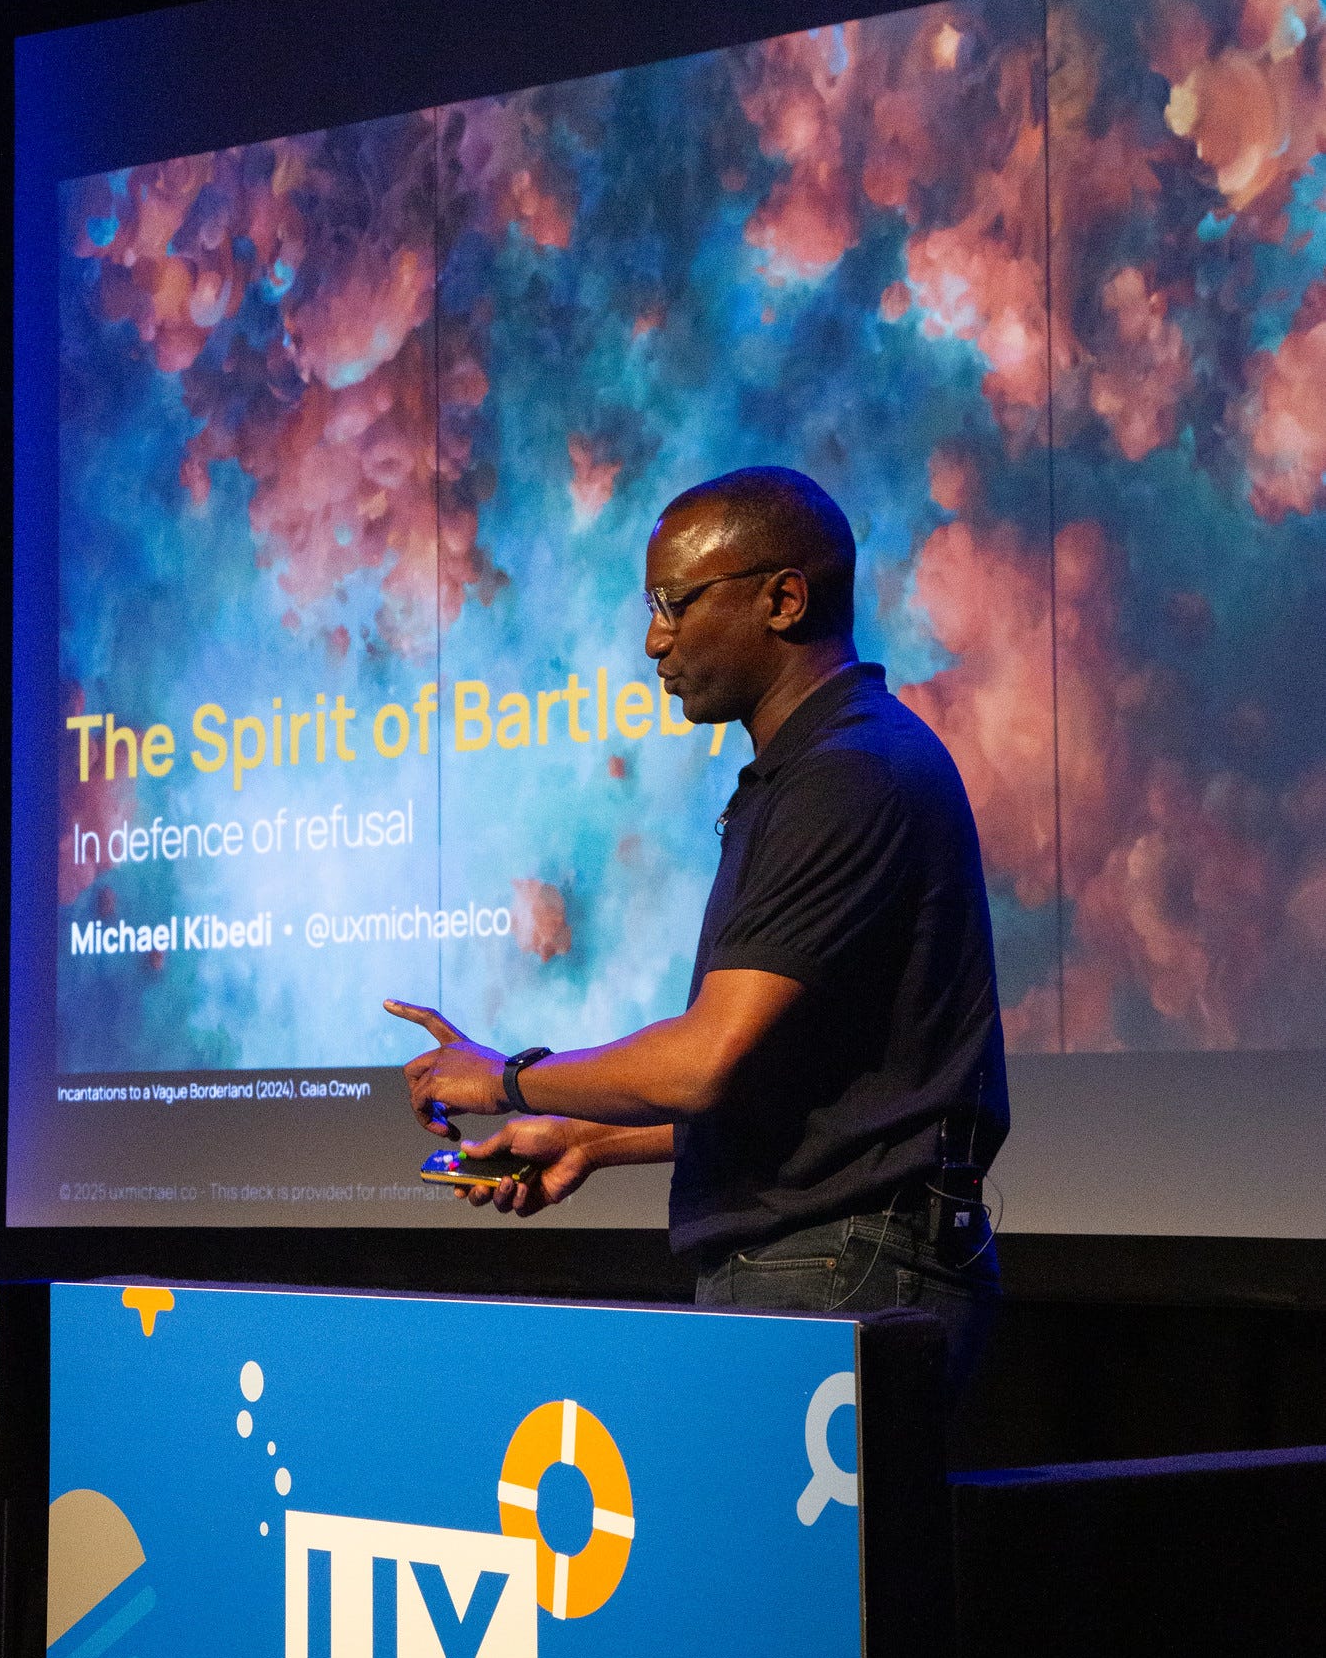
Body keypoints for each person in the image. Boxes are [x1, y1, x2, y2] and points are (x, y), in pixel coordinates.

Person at [386, 465, 1007, 1392]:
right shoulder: (811, 771)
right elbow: (805, 1092)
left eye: (675, 603)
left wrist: (508, 1078)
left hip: (836, 1267)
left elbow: (705, 1060)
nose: (653, 640)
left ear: (783, 599)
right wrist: (587, 1139)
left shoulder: (849, 775)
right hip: (822, 1259)